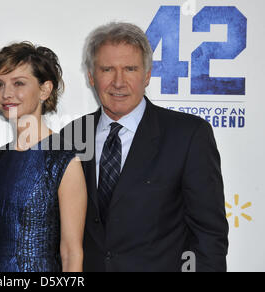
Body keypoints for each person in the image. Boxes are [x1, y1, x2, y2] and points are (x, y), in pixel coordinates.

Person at [61, 22, 229, 272]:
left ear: (147, 75)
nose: (118, 82)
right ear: (91, 76)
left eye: (130, 69)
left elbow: (208, 236)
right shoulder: (71, 136)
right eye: (107, 69)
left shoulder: (188, 135)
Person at [0, 42, 87, 272]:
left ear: (45, 90)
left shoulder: (64, 161)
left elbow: (71, 253)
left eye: (18, 83)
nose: (5, 94)